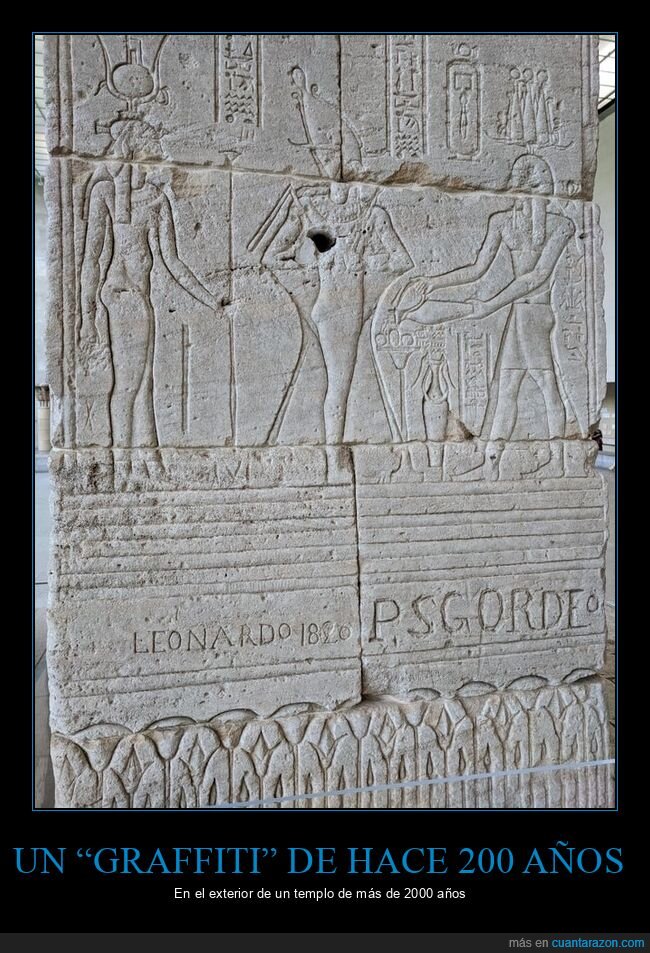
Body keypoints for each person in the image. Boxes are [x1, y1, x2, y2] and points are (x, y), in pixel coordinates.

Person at [389, 154, 574, 448]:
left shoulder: (560, 225)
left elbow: (536, 277)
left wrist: (491, 305)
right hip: (517, 315)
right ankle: (494, 458)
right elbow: (477, 270)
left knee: (546, 384)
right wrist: (435, 283)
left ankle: (560, 455)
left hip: (536, 316)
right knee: (508, 387)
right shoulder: (503, 222)